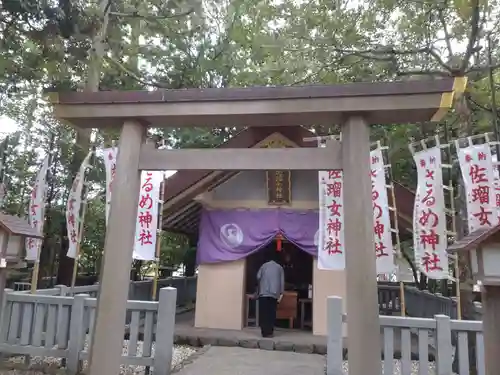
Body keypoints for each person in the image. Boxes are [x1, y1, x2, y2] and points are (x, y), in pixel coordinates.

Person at [256, 251, 284, 338]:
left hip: (263, 293)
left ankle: (264, 332)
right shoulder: (280, 268)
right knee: (271, 313)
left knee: (264, 313)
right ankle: (270, 332)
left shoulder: (264, 266)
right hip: (274, 294)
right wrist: (281, 294)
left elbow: (258, 276)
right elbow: (282, 282)